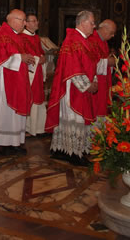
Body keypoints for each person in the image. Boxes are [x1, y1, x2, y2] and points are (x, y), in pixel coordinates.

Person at [45, 10, 100, 166]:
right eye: (92, 22)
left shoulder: (83, 41)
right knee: (73, 118)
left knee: (76, 120)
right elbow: (72, 68)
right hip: (73, 89)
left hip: (82, 87)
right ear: (82, 23)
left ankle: (66, 150)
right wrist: (87, 85)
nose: (94, 26)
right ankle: (73, 153)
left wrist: (94, 81)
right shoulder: (72, 41)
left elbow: (91, 64)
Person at [0, 9, 33, 155]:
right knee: (3, 111)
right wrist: (20, 58)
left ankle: (14, 142)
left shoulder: (18, 37)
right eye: (22, 20)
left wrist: (26, 59)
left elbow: (20, 56)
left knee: (14, 115)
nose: (25, 24)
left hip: (18, 80)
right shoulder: (0, 35)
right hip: (3, 82)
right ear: (12, 20)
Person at [20, 13, 47, 136]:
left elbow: (40, 53)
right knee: (31, 97)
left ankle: (38, 127)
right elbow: (24, 55)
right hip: (29, 73)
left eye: (37, 20)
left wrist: (43, 58)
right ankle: (29, 127)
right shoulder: (22, 37)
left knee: (38, 97)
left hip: (38, 73)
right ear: (26, 23)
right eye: (34, 21)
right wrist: (38, 59)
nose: (37, 23)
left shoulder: (36, 38)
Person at [89, 19, 117, 118]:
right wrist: (108, 62)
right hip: (96, 82)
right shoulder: (92, 39)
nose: (113, 35)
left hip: (104, 83)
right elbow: (90, 63)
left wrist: (110, 62)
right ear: (104, 29)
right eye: (112, 33)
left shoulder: (104, 42)